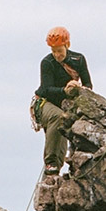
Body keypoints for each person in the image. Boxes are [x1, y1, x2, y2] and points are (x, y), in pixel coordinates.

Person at [31, 26, 92, 176]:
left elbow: (88, 84)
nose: (57, 54)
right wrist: (64, 90)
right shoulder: (47, 63)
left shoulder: (78, 60)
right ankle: (51, 163)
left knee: (63, 127)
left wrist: (78, 88)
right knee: (58, 117)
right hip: (45, 103)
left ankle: (58, 166)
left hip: (65, 105)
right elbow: (46, 89)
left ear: (67, 46)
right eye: (54, 51)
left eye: (60, 50)